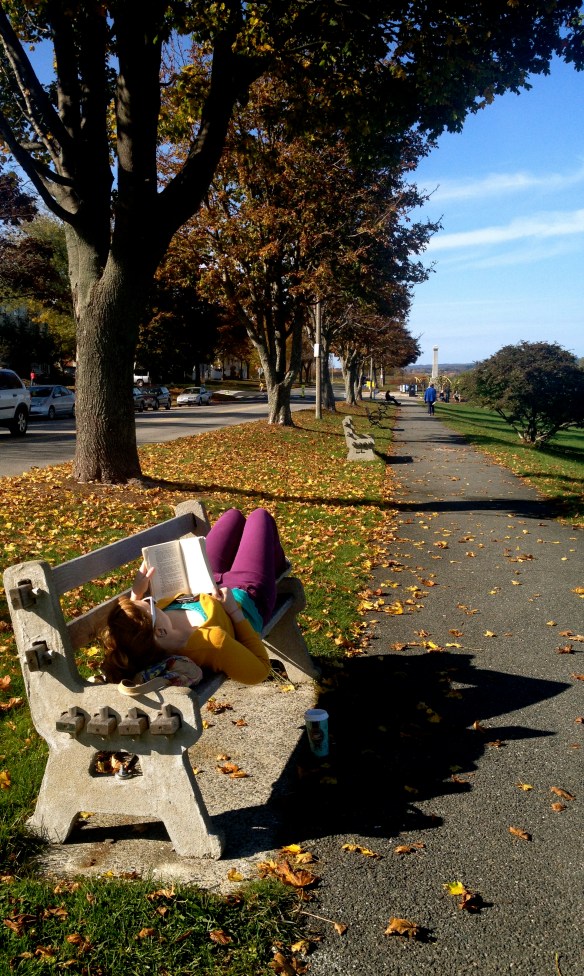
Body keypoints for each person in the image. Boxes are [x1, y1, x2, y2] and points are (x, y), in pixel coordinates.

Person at [102, 508, 288, 686]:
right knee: (259, 517)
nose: (149, 600)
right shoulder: (211, 642)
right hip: (244, 596)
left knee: (233, 517)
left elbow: (137, 624)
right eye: (148, 602)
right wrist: (233, 611)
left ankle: (267, 561)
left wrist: (137, 592)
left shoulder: (155, 632)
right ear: (160, 632)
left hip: (206, 580)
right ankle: (274, 565)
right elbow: (261, 670)